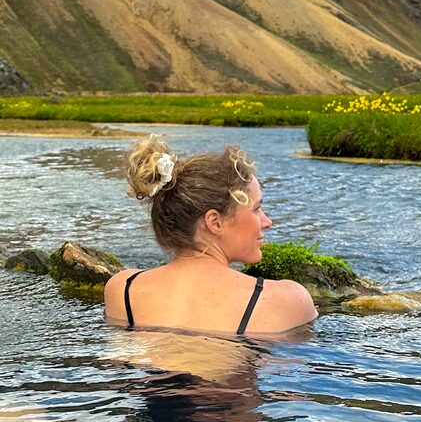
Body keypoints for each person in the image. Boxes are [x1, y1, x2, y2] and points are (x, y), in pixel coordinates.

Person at [105, 135, 317, 335]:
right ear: (215, 222)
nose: (267, 222)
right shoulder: (287, 300)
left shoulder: (122, 289)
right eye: (256, 209)